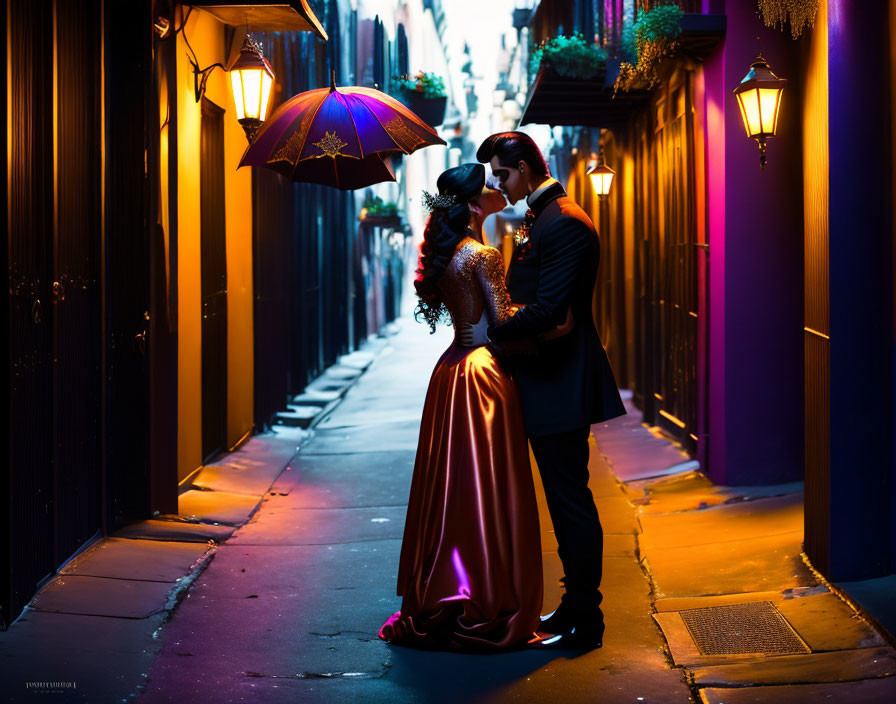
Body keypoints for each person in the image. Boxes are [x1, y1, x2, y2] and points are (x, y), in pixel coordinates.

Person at [378, 163, 543, 651]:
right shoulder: (484, 255)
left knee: (452, 487)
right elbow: (503, 318)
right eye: (488, 186)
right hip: (485, 372)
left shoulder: (449, 256)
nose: (497, 188)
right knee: (485, 485)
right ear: (474, 204)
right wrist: (545, 311)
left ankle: (446, 587)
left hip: (451, 370)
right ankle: (488, 593)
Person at [472, 131, 626, 651]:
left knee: (570, 500)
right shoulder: (546, 218)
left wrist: (489, 330)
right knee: (563, 501)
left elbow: (550, 310)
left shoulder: (565, 224)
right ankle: (576, 606)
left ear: (524, 167)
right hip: (546, 377)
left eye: (501, 174)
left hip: (561, 381)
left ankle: (588, 617)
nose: (497, 184)